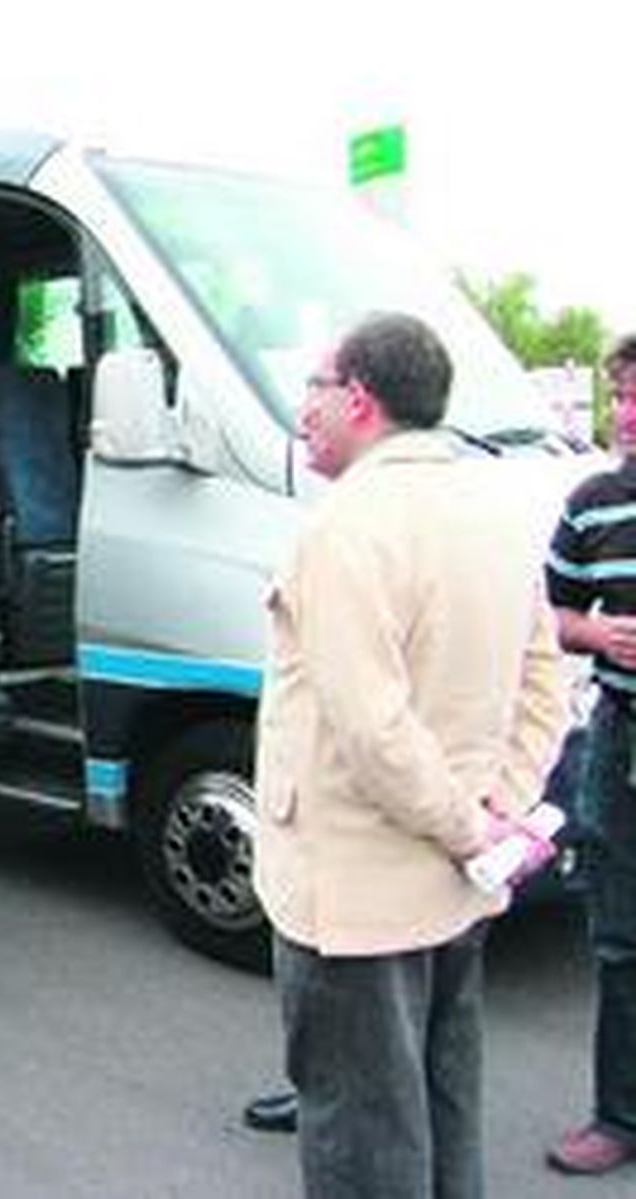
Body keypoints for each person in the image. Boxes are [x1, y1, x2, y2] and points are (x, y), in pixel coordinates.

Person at [254, 312, 568, 1197]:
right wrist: (498, 811)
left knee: (365, 1137)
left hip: (355, 904)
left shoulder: (346, 526)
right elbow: (543, 678)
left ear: (358, 398)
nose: (303, 407)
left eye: (315, 386)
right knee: (445, 1105)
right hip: (456, 890)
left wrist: (473, 827)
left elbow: (371, 728)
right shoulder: (494, 506)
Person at [543, 332, 636, 1176]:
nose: (631, 416)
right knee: (619, 938)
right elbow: (555, 612)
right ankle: (618, 1117)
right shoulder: (592, 500)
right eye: (624, 398)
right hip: (622, 739)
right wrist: (594, 629)